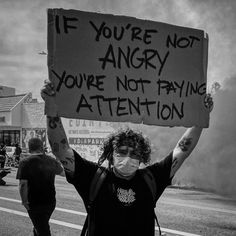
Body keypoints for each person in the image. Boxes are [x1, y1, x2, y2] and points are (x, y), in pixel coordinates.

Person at [41, 81, 213, 236]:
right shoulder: (93, 177)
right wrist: (51, 109)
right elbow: (62, 149)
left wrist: (199, 121)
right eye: (122, 151)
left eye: (135, 154)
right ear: (111, 153)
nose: (128, 157)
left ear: (142, 157)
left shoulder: (151, 179)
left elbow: (181, 151)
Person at [16, 137, 64, 236]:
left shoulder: (25, 162)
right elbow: (63, 173)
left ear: (29, 148)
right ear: (42, 147)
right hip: (50, 201)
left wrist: (24, 201)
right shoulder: (51, 160)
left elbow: (23, 185)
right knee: (40, 225)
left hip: (34, 203)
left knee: (43, 230)